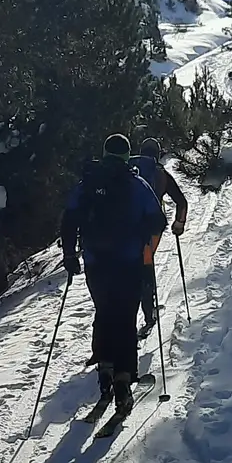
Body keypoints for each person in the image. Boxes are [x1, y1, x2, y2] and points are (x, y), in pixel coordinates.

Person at [61, 133, 167, 418]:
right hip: (129, 262)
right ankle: (123, 379)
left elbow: (69, 219)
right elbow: (158, 221)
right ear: (127, 155)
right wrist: (142, 237)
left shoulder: (87, 183)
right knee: (125, 318)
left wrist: (69, 255)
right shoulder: (137, 184)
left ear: (105, 153)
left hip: (96, 263)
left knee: (105, 312)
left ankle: (105, 370)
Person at [130, 138, 188, 331]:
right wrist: (179, 224)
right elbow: (181, 202)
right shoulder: (160, 174)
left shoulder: (128, 169)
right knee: (146, 266)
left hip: (125, 231)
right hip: (151, 232)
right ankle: (149, 314)